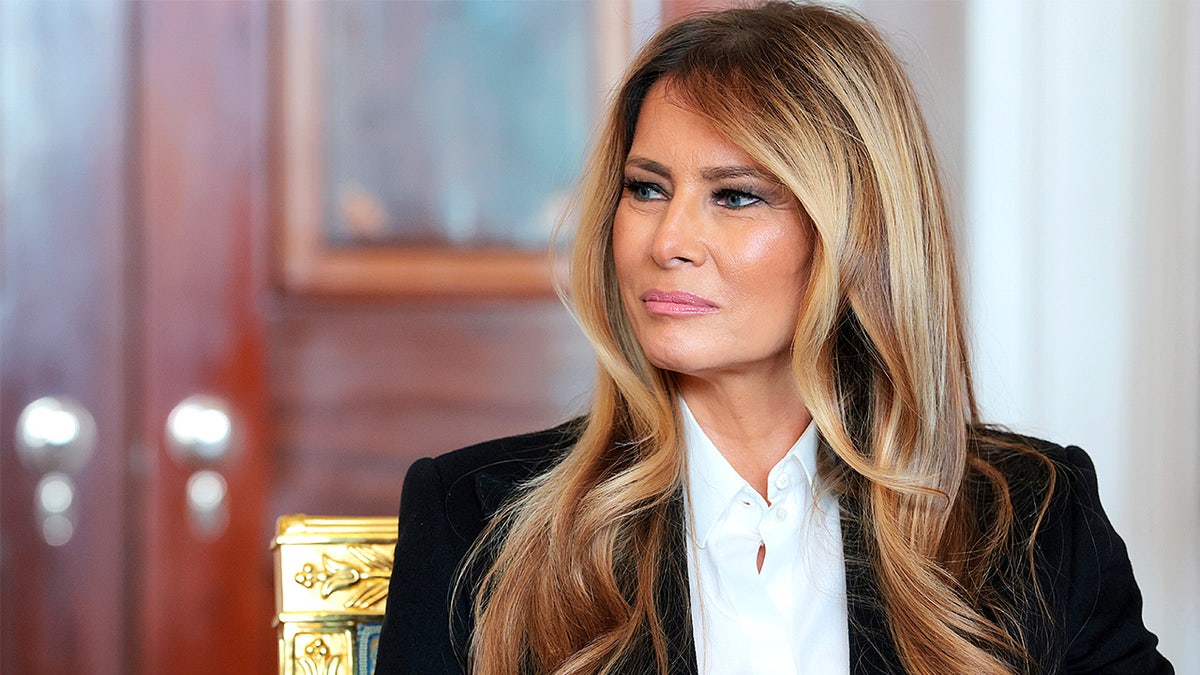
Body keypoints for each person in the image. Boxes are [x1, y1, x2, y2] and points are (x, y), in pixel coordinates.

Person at [374, 3, 1173, 674]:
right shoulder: (477, 517)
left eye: (735, 196)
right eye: (647, 188)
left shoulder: (1032, 516)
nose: (668, 238)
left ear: (854, 232)